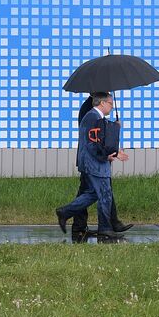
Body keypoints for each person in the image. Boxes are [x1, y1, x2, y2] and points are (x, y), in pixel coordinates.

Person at [57, 91, 128, 242]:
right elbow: (93, 143)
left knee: (93, 194)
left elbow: (102, 138)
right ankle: (105, 229)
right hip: (94, 163)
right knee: (105, 196)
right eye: (110, 103)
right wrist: (107, 156)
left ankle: (65, 212)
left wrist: (115, 127)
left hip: (95, 161)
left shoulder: (96, 117)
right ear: (102, 103)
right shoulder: (92, 117)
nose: (112, 106)